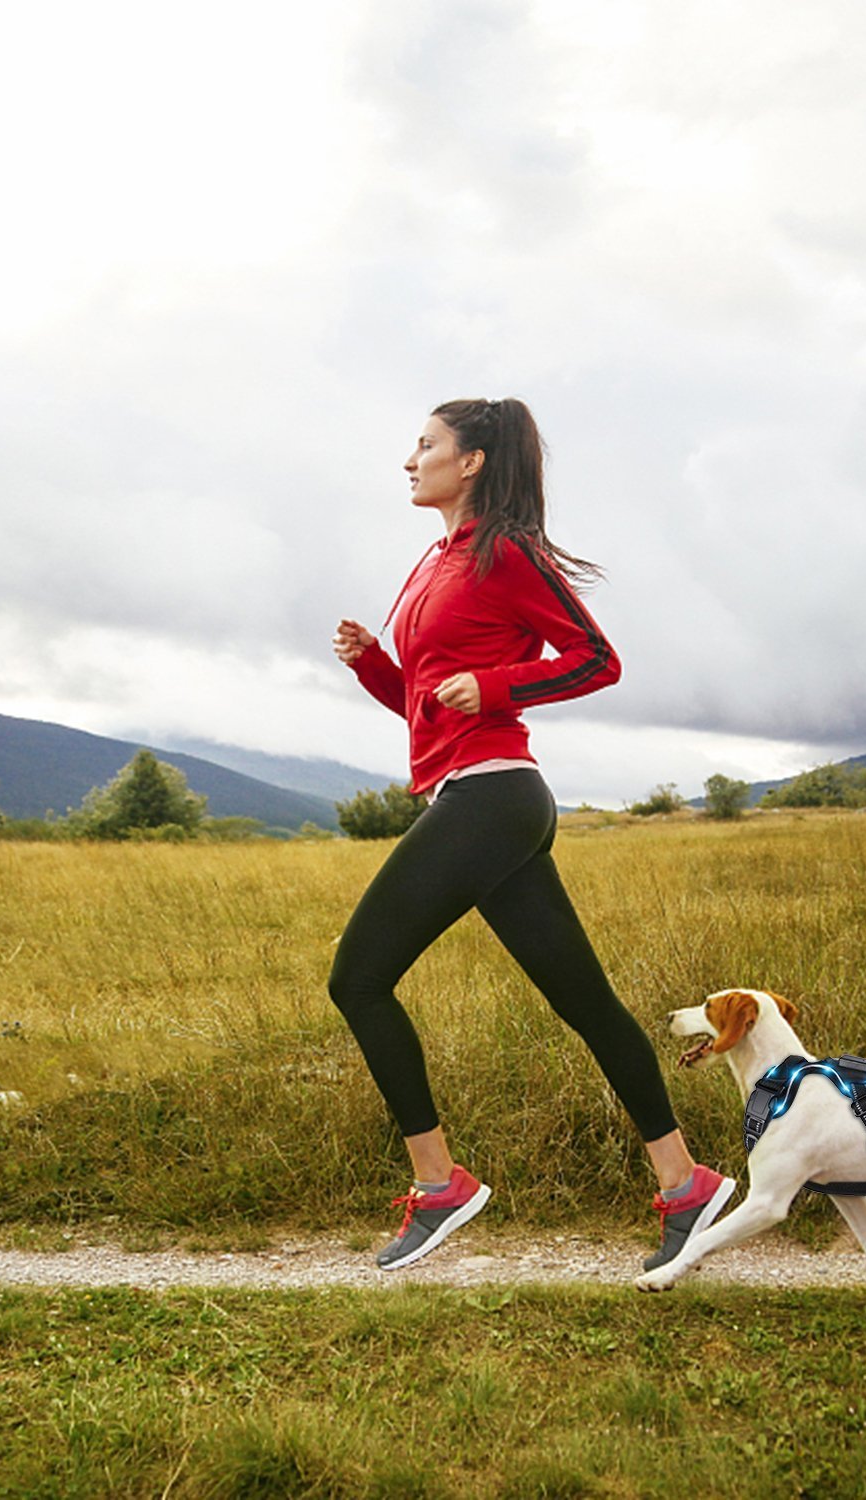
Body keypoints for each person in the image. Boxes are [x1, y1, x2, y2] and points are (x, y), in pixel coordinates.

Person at [330, 396, 734, 1271]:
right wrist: (374, 661)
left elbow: (594, 658)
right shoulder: (433, 561)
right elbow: (422, 703)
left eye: (426, 444)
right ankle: (685, 1183)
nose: (410, 459)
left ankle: (439, 1186)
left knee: (357, 980)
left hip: (495, 795)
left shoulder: (505, 551)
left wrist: (500, 686)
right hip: (465, 794)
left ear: (470, 461)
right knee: (585, 1003)